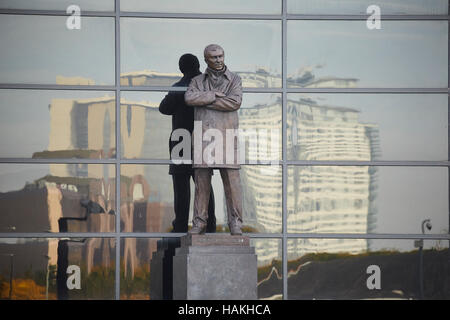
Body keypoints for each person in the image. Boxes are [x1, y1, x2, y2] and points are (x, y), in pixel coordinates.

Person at [185, 44, 243, 235]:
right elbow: (189, 98)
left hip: (227, 136)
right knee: (202, 184)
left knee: (232, 184)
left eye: (220, 56)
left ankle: (236, 223)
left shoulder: (234, 79)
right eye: (214, 57)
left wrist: (206, 100)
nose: (218, 60)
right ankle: (199, 223)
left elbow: (234, 102)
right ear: (206, 60)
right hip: (204, 137)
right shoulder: (197, 81)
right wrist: (212, 95)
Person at [159, 53, 216, 233]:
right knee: (204, 184)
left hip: (181, 140)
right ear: (198, 65)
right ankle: (210, 223)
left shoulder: (179, 87)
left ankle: (181, 224)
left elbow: (164, 108)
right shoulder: (206, 86)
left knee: (181, 185)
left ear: (181, 68)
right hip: (202, 140)